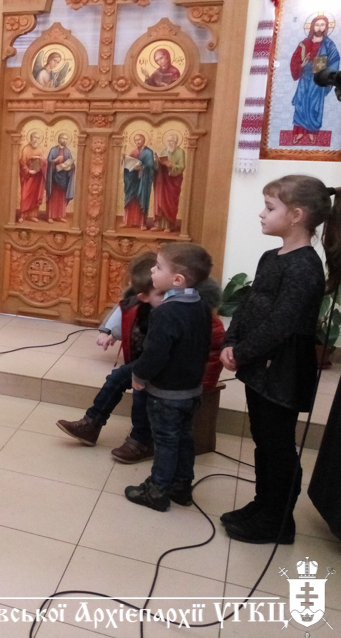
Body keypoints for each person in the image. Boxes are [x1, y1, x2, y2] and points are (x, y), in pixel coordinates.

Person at [219, 175, 341, 543]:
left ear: (296, 215)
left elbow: (280, 324)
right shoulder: (270, 257)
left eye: (270, 207)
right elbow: (250, 305)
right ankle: (263, 504)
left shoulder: (305, 267)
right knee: (262, 438)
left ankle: (278, 521)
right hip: (260, 363)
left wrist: (242, 352)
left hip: (284, 368)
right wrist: (231, 341)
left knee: (278, 444)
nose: (261, 213)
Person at [125, 243, 214, 512]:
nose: (152, 270)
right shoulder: (201, 305)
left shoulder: (165, 312)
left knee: (165, 441)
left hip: (166, 394)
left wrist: (139, 375)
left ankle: (156, 490)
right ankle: (181, 486)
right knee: (184, 438)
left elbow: (155, 354)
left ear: (177, 280)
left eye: (158, 267)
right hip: (191, 390)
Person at [56, 253, 162, 463]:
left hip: (167, 365)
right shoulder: (140, 300)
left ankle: (142, 441)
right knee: (116, 379)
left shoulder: (177, 310)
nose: (139, 296)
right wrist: (111, 333)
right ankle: (91, 424)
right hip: (147, 360)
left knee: (140, 394)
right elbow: (123, 314)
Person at [289, 16, 339, 145]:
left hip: (318, 80)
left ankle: (312, 133)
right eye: (317, 25)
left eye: (322, 25)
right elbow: (294, 60)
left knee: (314, 105)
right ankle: (299, 132)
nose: (319, 28)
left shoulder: (329, 44)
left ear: (326, 27)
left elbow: (334, 61)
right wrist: (301, 65)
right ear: (312, 26)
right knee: (301, 104)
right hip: (304, 78)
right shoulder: (304, 43)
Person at [154, 132, 185, 232]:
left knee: (170, 203)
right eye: (168, 141)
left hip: (173, 181)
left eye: (171, 141)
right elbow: (159, 167)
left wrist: (171, 165)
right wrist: (157, 161)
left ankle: (169, 226)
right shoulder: (164, 151)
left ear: (176, 141)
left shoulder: (180, 152)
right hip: (163, 181)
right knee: (160, 201)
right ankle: (158, 224)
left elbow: (181, 167)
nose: (169, 143)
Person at [123, 133, 154, 230]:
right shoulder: (133, 151)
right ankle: (128, 222)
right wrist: (125, 161)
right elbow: (127, 165)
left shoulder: (148, 152)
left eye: (139, 140)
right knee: (131, 200)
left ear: (144, 140)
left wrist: (141, 168)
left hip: (143, 182)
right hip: (132, 181)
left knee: (141, 200)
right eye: (136, 140)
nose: (137, 142)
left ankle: (142, 223)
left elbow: (150, 166)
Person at [44, 133, 74, 223]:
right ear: (59, 139)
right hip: (54, 178)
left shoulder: (68, 151)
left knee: (61, 198)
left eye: (66, 139)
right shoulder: (53, 150)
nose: (64, 140)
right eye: (62, 138)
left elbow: (71, 163)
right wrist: (55, 161)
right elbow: (48, 163)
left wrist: (69, 168)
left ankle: (60, 216)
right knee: (53, 197)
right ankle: (50, 216)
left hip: (64, 178)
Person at [17, 131, 45, 223]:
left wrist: (41, 162)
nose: (36, 140)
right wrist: (28, 171)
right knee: (25, 196)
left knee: (35, 196)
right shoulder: (25, 149)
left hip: (37, 177)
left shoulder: (40, 150)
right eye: (34, 137)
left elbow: (44, 162)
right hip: (28, 177)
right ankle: (23, 215)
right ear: (31, 138)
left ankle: (32, 215)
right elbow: (22, 162)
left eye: (38, 138)